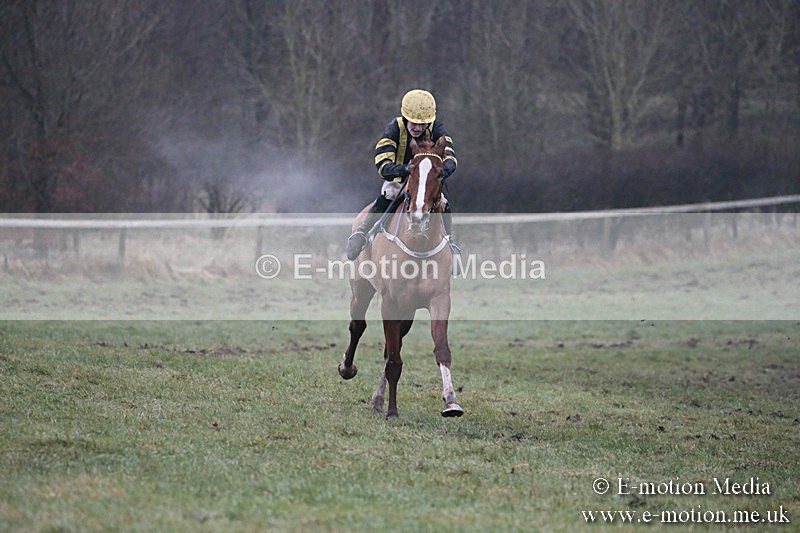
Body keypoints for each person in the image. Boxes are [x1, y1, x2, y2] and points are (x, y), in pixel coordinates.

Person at [345, 89, 458, 261]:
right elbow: (382, 164)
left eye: (423, 124)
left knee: (443, 202)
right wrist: (405, 169)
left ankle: (451, 243)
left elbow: (450, 155)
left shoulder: (437, 128)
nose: (418, 128)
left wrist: (442, 171)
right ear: (405, 118)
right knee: (389, 194)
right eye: (414, 123)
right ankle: (362, 233)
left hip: (425, 183)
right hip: (398, 180)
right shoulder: (393, 129)